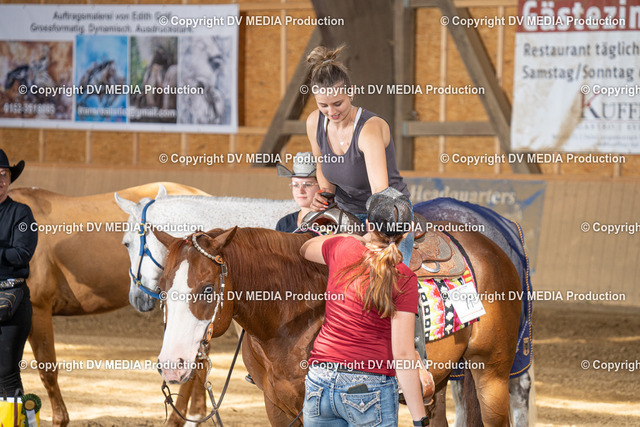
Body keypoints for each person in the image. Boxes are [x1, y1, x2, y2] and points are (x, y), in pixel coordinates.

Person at [299, 188, 429, 427]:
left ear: (369, 224)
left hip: (320, 380)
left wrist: (354, 237)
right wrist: (419, 417)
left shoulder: (342, 247)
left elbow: (306, 248)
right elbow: (402, 355)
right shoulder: (403, 277)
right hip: (369, 387)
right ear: (407, 231)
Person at [304, 45, 414, 265]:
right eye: (323, 105)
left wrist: (372, 236)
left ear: (351, 92)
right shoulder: (314, 121)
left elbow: (381, 194)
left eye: (338, 103)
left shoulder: (369, 129)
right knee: (304, 257)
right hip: (345, 213)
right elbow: (322, 164)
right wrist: (323, 195)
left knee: (385, 273)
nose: (331, 112)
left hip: (387, 214)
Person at [0, 149, 38, 397]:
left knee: (6, 374)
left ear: (9, 179)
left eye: (3, 174)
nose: (0, 180)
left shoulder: (22, 213)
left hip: (10, 300)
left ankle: (13, 417)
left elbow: (22, 254)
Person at [275, 152, 319, 232]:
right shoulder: (284, 224)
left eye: (307, 185)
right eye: (295, 185)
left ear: (320, 185)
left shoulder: (331, 223)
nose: (300, 191)